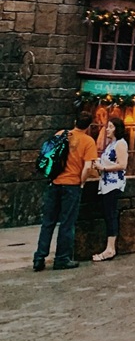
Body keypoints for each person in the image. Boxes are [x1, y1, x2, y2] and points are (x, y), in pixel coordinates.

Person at [33, 113, 99, 271]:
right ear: (88, 126)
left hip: (55, 183)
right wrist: (81, 182)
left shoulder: (61, 134)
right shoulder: (88, 141)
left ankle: (39, 257)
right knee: (67, 223)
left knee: (48, 222)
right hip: (71, 185)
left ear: (75, 122)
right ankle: (62, 258)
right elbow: (87, 167)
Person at [92, 116, 128, 261]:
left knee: (111, 214)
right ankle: (109, 247)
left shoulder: (120, 144)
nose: (107, 129)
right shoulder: (111, 144)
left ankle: (110, 249)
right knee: (108, 214)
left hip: (114, 184)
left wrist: (103, 168)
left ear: (117, 129)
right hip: (106, 184)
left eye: (111, 127)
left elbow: (122, 164)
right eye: (108, 126)